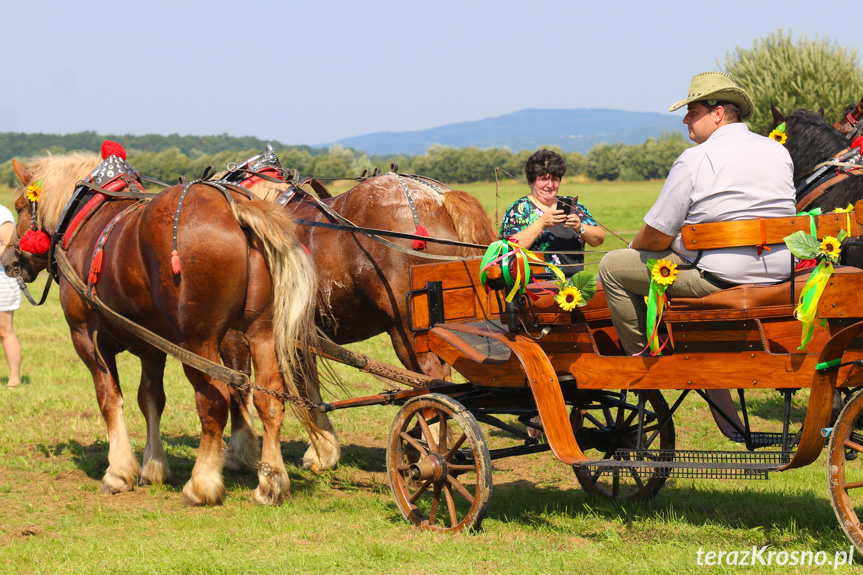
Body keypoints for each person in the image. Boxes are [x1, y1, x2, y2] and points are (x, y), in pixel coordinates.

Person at [597, 71, 796, 356]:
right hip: (778, 272)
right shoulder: (777, 150)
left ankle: (642, 362)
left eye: (692, 112)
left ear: (717, 114)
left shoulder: (695, 158)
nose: (685, 120)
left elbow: (655, 237)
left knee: (612, 266)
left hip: (721, 275)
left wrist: (632, 248)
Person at [499, 149, 604, 275]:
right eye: (543, 179)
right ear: (531, 182)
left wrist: (580, 227)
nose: (550, 185)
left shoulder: (572, 206)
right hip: (537, 287)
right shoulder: (519, 209)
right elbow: (508, 250)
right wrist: (541, 224)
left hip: (574, 288)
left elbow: (598, 239)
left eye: (554, 179)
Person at [0, 203, 21, 388]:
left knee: (4, 330)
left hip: (2, 280)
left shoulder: (2, 214)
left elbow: (8, 244)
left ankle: (14, 378)